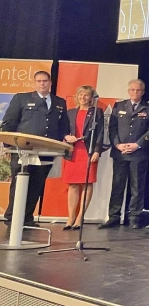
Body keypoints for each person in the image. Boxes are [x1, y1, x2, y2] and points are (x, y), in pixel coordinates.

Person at [2, 71, 69, 227]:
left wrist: (63, 140)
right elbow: (8, 123)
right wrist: (8, 146)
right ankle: (12, 216)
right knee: (20, 182)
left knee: (37, 184)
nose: (42, 84)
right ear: (34, 82)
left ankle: (27, 217)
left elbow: (63, 126)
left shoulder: (59, 102)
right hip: (22, 150)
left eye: (45, 81)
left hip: (46, 150)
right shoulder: (21, 98)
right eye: (38, 81)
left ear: (50, 82)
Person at [100, 79, 149, 229]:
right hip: (120, 153)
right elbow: (112, 127)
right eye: (132, 90)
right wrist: (118, 144)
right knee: (117, 186)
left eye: (138, 90)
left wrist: (138, 144)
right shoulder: (119, 105)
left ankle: (134, 217)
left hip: (139, 153)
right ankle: (113, 216)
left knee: (137, 187)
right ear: (128, 91)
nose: (135, 93)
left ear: (143, 92)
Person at [61, 86, 104, 230]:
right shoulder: (70, 112)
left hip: (88, 151)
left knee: (86, 183)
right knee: (72, 184)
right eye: (80, 94)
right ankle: (70, 217)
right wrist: (66, 136)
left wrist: (97, 151)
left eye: (86, 95)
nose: (83, 97)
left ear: (91, 97)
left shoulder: (97, 112)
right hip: (73, 151)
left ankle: (80, 217)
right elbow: (63, 130)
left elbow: (100, 133)